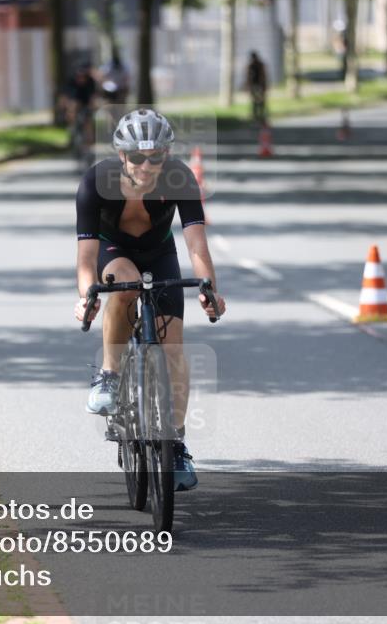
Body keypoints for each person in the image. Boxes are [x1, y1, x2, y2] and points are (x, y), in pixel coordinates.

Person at [74, 109, 227, 491]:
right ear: (122, 156)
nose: (146, 166)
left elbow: (196, 246)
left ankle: (174, 445)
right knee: (123, 285)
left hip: (160, 254)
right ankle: (109, 374)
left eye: (155, 157)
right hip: (114, 251)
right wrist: (86, 296)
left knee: (173, 350)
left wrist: (210, 289)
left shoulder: (179, 178)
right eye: (138, 157)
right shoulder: (96, 181)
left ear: (166, 155)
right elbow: (87, 259)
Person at [62, 61, 98, 153]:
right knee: (73, 107)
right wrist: (67, 108)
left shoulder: (90, 81)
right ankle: (72, 132)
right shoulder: (71, 81)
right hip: (75, 101)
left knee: (88, 121)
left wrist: (92, 106)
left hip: (86, 102)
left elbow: (93, 97)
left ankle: (89, 140)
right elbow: (66, 96)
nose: (81, 78)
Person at [246, 51, 268, 125]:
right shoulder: (251, 66)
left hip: (259, 85)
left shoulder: (260, 65)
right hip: (255, 86)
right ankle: (256, 116)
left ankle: (261, 116)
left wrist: (264, 85)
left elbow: (263, 75)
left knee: (260, 101)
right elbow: (248, 77)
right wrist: (248, 86)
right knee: (255, 102)